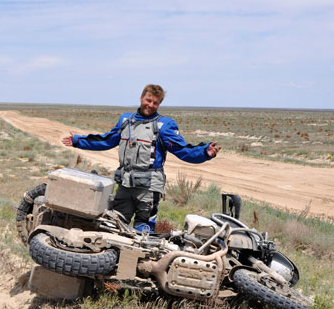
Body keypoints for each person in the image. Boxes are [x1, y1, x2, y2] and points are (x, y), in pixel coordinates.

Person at [62, 84, 221, 231]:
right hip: (125, 185)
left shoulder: (164, 126)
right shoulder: (126, 121)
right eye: (148, 100)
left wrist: (204, 153)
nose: (151, 105)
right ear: (141, 98)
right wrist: (78, 141)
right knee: (114, 225)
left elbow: (183, 150)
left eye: (155, 103)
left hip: (149, 188)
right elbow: (107, 140)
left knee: (143, 231)